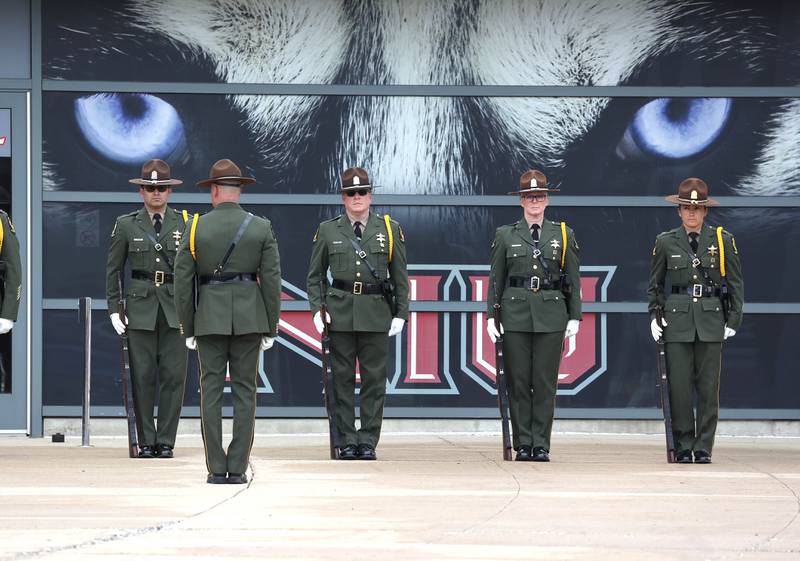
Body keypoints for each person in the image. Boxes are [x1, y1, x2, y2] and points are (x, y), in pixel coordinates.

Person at [174, 158, 281, 484]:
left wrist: (187, 327)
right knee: (246, 392)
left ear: (215, 191)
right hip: (250, 319)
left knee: (210, 392)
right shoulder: (261, 227)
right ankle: (238, 467)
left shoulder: (194, 227)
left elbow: (182, 283)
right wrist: (270, 325)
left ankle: (215, 468)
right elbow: (272, 281)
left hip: (209, 319)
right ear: (238, 191)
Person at [306, 167, 409, 461]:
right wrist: (317, 310)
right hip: (339, 313)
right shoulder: (328, 230)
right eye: (351, 193)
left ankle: (368, 441)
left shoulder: (389, 230)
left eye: (362, 192)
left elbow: (400, 276)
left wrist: (401, 312)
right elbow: (314, 277)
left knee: (375, 381)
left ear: (370, 195)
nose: (357, 198)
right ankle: (347, 440)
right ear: (343, 197)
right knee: (341, 381)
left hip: (376, 314)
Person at [486, 170, 581, 462]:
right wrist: (491, 316)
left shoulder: (563, 234)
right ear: (521, 201)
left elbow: (573, 279)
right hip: (514, 314)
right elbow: (496, 279)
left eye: (539, 196)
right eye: (529, 196)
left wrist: (574, 316)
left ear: (547, 199)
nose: (534, 201)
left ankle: (540, 443)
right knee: (518, 382)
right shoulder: (506, 235)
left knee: (544, 382)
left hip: (552, 315)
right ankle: (522, 443)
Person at [647, 178, 744, 464]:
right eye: (686, 207)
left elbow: (736, 283)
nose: (691, 213)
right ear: (678, 211)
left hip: (712, 319)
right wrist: (655, 314)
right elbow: (655, 284)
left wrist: (733, 319)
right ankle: (683, 444)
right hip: (677, 322)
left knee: (707, 388)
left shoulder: (723, 241)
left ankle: (703, 447)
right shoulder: (665, 241)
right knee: (678, 387)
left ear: (705, 211)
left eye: (697, 208)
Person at [105, 159, 188, 459]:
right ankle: (146, 440)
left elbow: (193, 270)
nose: (156, 193)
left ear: (170, 191)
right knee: (141, 377)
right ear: (141, 191)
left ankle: (166, 440)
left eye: (162, 188)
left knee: (173, 377)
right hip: (139, 310)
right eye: (150, 188)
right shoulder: (127, 224)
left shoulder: (185, 223)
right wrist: (115, 307)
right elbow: (113, 269)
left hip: (174, 309)